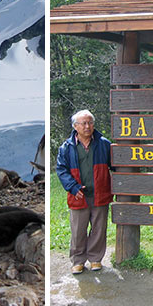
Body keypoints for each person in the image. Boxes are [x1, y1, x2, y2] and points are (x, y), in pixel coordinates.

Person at [55, 109, 112, 274]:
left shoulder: (104, 144)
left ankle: (95, 259)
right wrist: (73, 187)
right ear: (75, 126)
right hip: (78, 195)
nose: (87, 126)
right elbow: (61, 170)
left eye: (90, 123)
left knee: (99, 228)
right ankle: (78, 260)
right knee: (78, 230)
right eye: (84, 123)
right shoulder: (66, 147)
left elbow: (115, 165)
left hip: (100, 193)